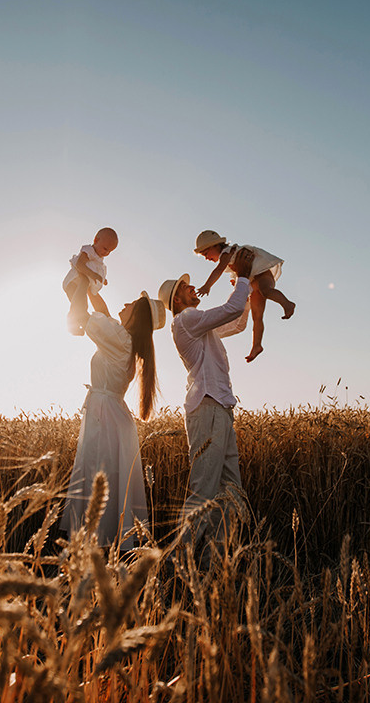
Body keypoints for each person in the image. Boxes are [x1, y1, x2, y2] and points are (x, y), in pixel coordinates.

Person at [158, 246, 255, 549]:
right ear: (177, 300)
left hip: (220, 408)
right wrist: (242, 277)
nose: (192, 287)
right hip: (208, 408)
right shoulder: (186, 319)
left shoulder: (200, 326)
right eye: (185, 287)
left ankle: (215, 564)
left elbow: (236, 321)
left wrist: (246, 291)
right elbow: (231, 311)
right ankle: (182, 560)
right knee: (205, 491)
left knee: (231, 491)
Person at [60, 291, 166, 550]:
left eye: (132, 304)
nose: (126, 303)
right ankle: (103, 546)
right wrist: (91, 291)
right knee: (108, 480)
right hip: (112, 414)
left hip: (104, 417)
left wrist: (80, 280)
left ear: (137, 317)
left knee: (99, 477)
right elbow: (103, 313)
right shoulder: (123, 339)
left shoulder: (119, 339)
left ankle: (95, 544)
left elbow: (88, 317)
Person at [194, 230, 296, 362]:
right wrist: (237, 281)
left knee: (266, 290)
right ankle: (256, 345)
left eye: (206, 254)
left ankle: (287, 304)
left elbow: (218, 270)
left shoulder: (226, 253)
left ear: (215, 246)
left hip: (261, 273)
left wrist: (207, 286)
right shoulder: (230, 254)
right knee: (257, 316)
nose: (206, 258)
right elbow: (241, 272)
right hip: (253, 280)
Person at [63, 227, 119, 335]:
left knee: (83, 307)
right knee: (82, 302)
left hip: (82, 285)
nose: (106, 253)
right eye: (105, 248)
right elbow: (79, 264)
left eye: (109, 251)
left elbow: (95, 270)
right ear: (96, 240)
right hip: (74, 282)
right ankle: (71, 322)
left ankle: (84, 326)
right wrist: (92, 274)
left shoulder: (98, 260)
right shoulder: (89, 250)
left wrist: (102, 279)